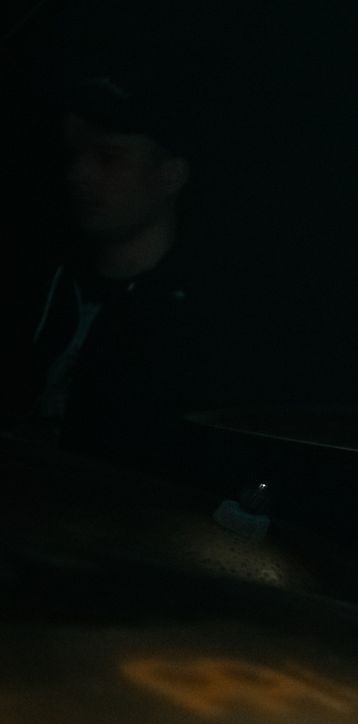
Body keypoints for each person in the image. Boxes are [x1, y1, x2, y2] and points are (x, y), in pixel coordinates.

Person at [16, 73, 225, 473]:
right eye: (71, 155)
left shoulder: (208, 322)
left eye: (107, 156)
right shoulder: (43, 286)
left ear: (171, 175)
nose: (78, 174)